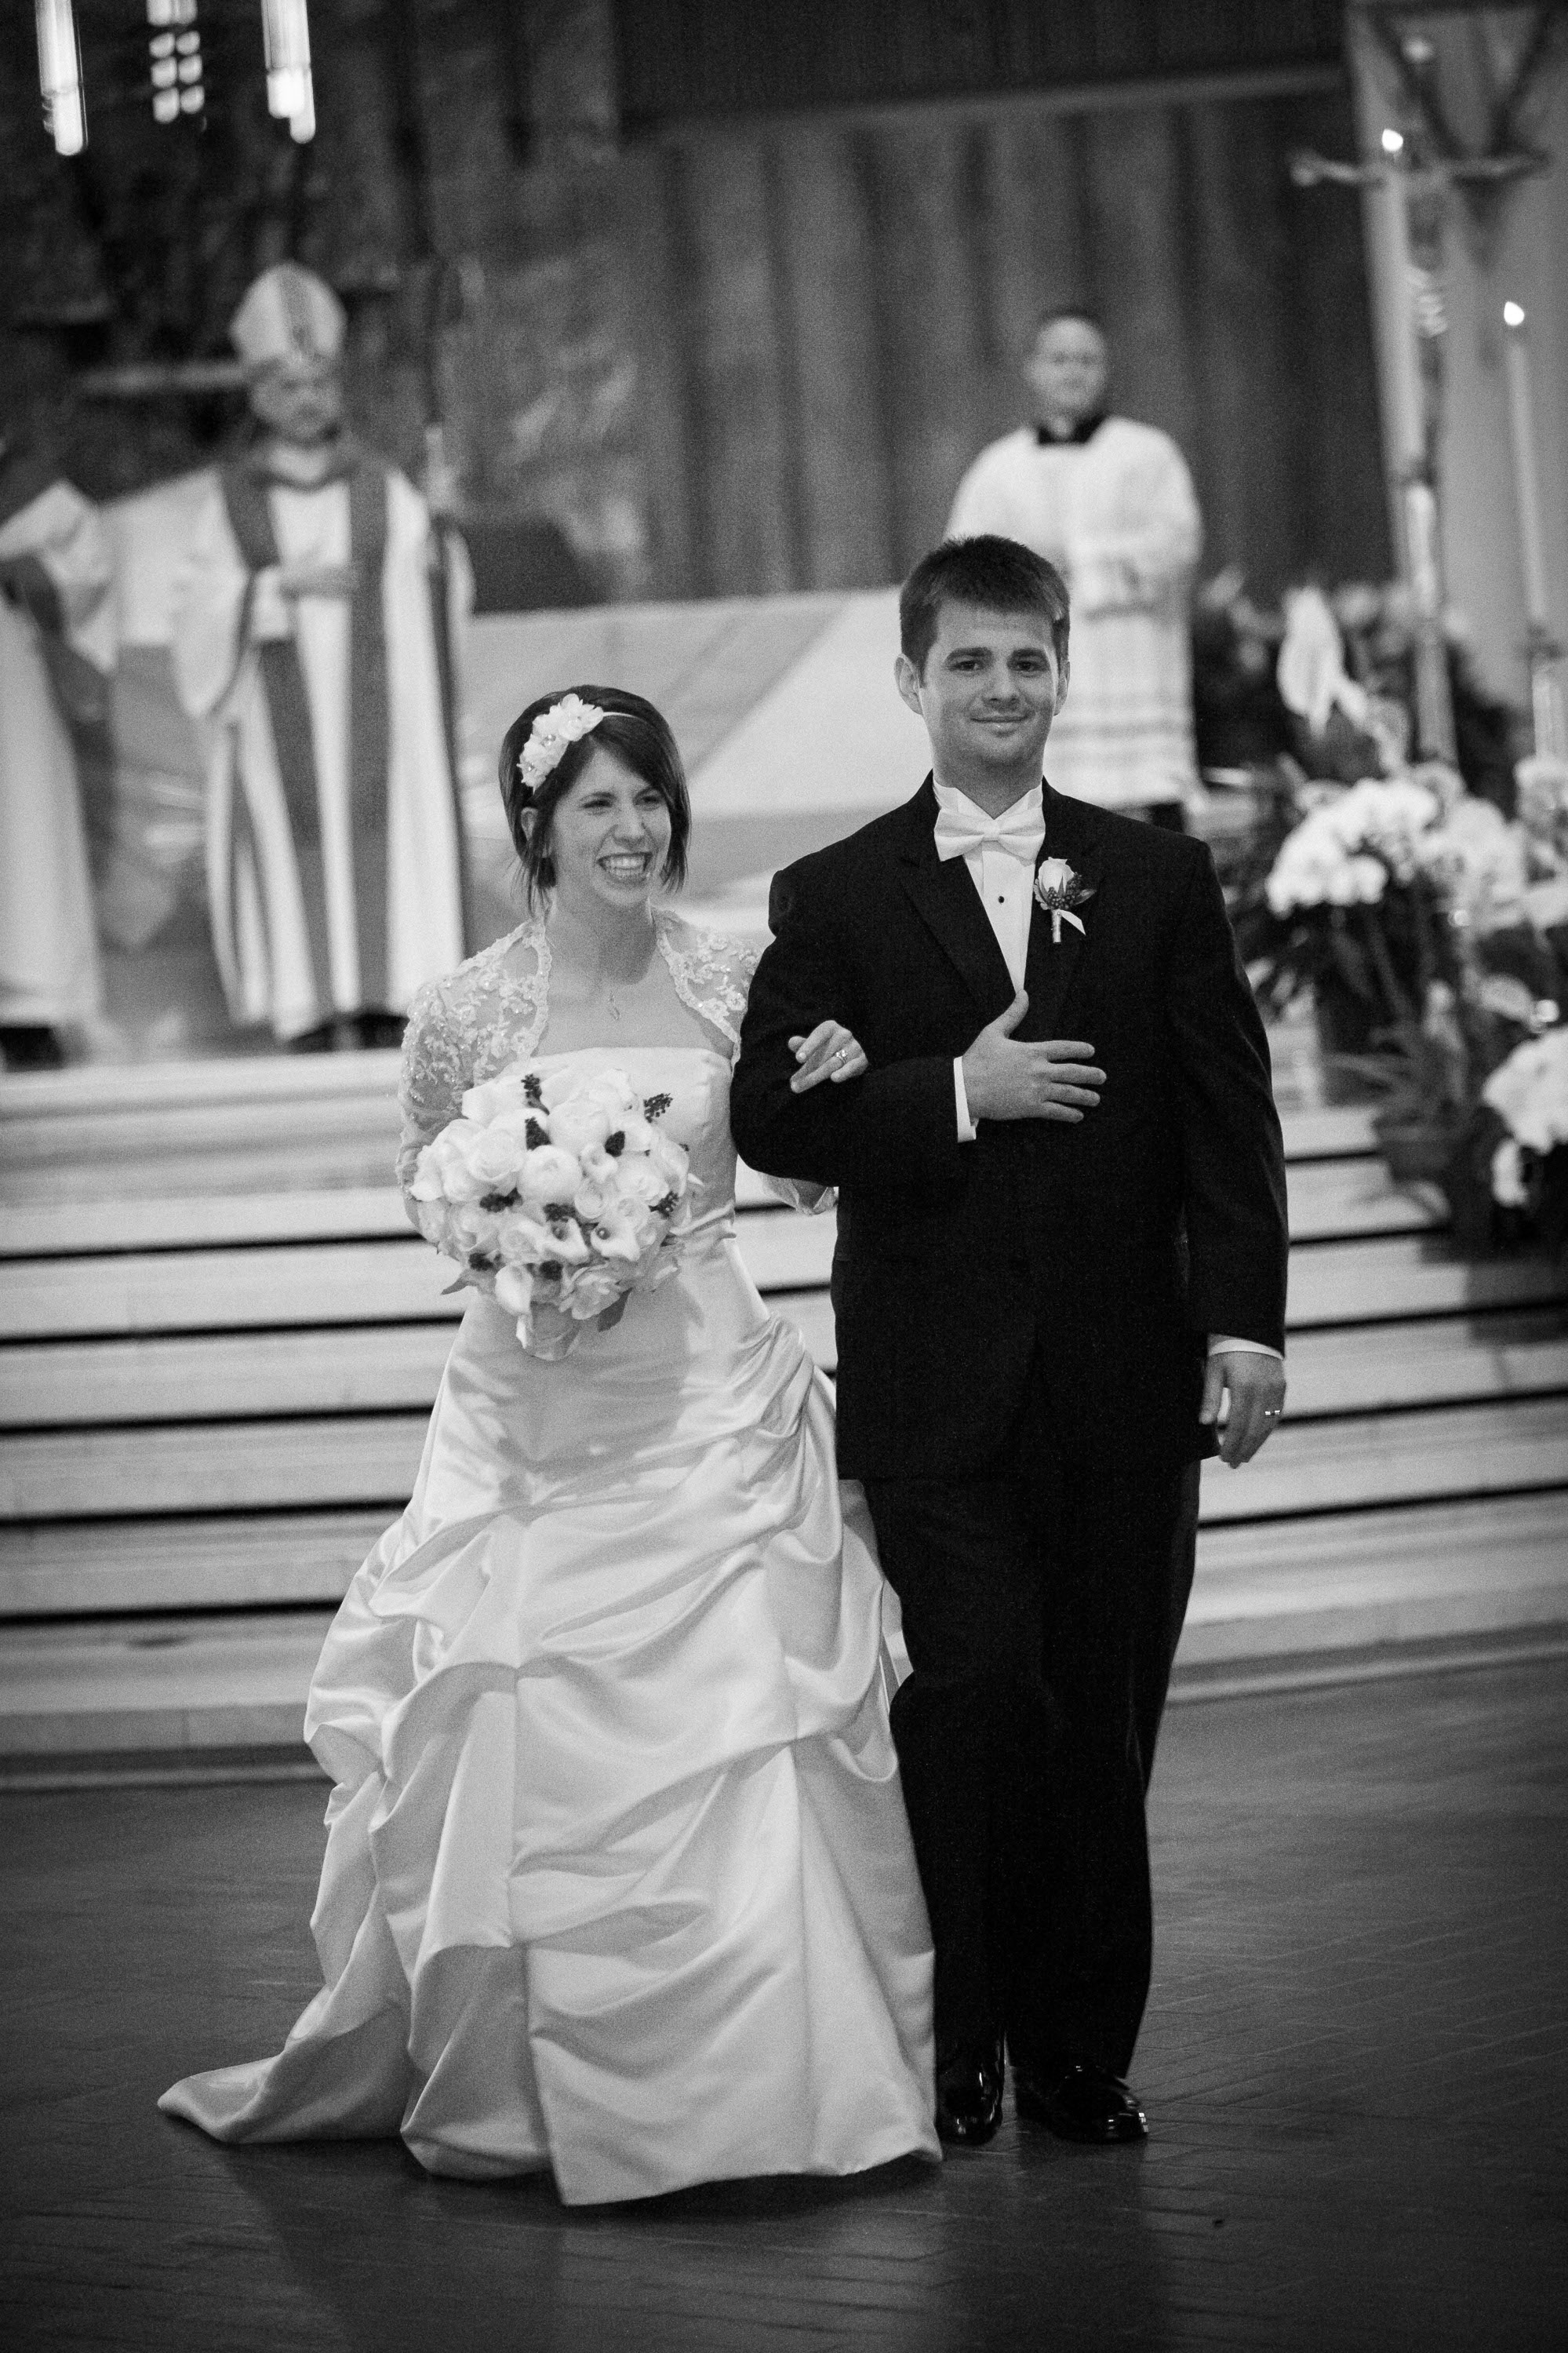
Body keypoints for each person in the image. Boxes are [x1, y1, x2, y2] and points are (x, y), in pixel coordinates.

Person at [160, 687, 940, 2202]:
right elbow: (423, 1185)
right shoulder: (463, 1009)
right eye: (596, 802)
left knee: (749, 1724)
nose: (632, 828)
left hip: (710, 1403)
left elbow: (792, 1170)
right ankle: (519, 2083)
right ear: (536, 824)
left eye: (648, 798)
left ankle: (781, 2076)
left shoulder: (736, 978)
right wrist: (521, 1231)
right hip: (531, 1413)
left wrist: (834, 1090)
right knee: (512, 1715)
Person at [730, 536, 1289, 2149]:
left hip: (1124, 1374)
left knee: (1102, 1718)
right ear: (912, 680)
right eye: (966, 661)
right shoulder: (835, 896)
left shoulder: (1157, 875)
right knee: (975, 1694)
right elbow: (778, 1112)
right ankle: (958, 2027)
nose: (998, 688)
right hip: (937, 1383)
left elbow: (1223, 1115)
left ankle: (1074, 2047)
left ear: (1064, 669)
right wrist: (959, 1089)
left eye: (1025, 659)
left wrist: (1245, 1319)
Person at [169, 263, 464, 1050]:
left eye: (320, 383)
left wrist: (437, 535)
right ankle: (305, 1001)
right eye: (289, 385)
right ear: (261, 395)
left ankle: (382, 993)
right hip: (277, 716)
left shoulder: (381, 487)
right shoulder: (231, 499)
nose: (307, 400)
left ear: (338, 390)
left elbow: (432, 583)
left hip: (373, 716)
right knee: (287, 833)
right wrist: (272, 586)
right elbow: (198, 610)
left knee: (382, 826)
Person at [945, 309, 1202, 825]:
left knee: (1148, 864)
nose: (1073, 372)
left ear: (1106, 370)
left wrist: (1078, 558)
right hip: (1039, 681)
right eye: (1059, 359)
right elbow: (958, 569)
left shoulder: (1148, 454)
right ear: (1033, 369)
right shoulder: (997, 468)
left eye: (1087, 360)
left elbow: (1176, 548)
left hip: (1132, 675)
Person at [0, 435, 112, 1069]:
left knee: (23, 831)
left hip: (13, 682)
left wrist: (26, 574)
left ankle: (27, 1011)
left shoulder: (28, 485)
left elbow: (86, 562)